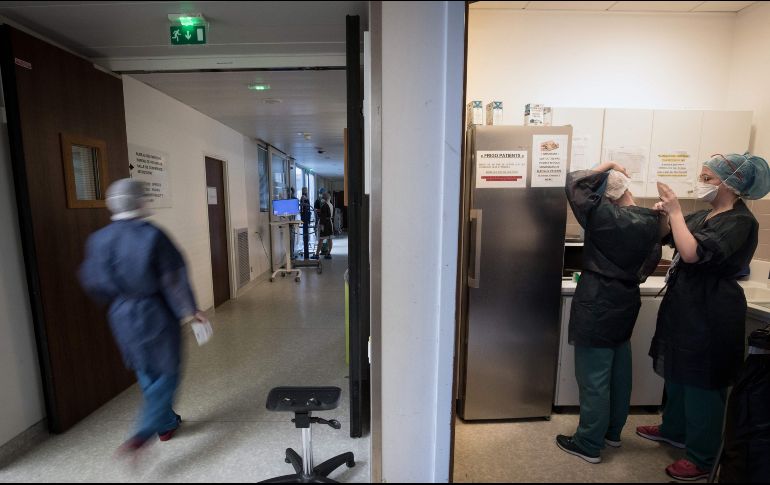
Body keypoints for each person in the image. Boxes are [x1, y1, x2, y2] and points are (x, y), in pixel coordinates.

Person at [637, 153, 770, 481]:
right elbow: (673, 237)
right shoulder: (705, 215)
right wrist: (666, 217)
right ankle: (674, 429)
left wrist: (677, 211)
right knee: (679, 375)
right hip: (686, 307)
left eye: (708, 178)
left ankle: (701, 455)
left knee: (703, 382)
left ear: (732, 184)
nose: (702, 182)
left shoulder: (741, 222)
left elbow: (692, 253)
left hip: (712, 312)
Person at [78, 179, 206, 456]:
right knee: (168, 372)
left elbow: (93, 281)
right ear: (139, 201)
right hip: (155, 311)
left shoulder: (98, 239)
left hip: (121, 313)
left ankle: (167, 422)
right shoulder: (152, 236)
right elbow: (173, 280)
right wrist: (191, 310)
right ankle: (144, 432)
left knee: (145, 368)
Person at [556, 162, 663, 464]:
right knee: (619, 373)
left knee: (594, 378)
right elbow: (650, 262)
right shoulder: (652, 220)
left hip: (597, 302)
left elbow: (575, 184)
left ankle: (588, 442)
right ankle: (612, 433)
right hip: (626, 301)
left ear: (607, 194)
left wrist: (608, 166)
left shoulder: (604, 216)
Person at [313, 190, 334, 260]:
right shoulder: (330, 204)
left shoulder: (325, 205)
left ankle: (316, 254)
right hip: (330, 223)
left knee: (321, 240)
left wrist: (321, 226)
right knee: (330, 239)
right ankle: (328, 253)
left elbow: (323, 217)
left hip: (325, 224)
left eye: (322, 197)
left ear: (324, 198)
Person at [300, 187, 312, 260]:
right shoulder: (303, 197)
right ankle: (306, 255)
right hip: (304, 216)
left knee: (306, 236)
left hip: (307, 216)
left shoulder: (306, 197)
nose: (306, 191)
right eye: (305, 190)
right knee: (305, 236)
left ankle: (307, 254)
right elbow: (302, 206)